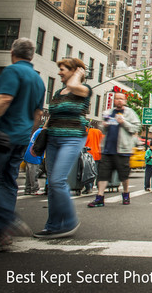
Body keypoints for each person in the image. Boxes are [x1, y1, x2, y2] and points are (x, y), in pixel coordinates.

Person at [0, 38, 45, 250]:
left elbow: (4, 100)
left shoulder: (12, 72)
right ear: (32, 56)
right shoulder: (38, 80)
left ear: (12, 52)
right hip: (21, 139)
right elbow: (38, 113)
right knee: (8, 181)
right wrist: (29, 134)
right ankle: (2, 233)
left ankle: (6, 217)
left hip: (2, 135)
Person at [34, 58, 91, 239]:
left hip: (72, 139)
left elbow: (75, 86)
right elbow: (52, 115)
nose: (59, 72)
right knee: (52, 184)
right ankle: (52, 225)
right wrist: (39, 140)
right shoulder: (59, 92)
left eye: (63, 69)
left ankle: (69, 222)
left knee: (58, 180)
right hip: (52, 139)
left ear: (75, 71)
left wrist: (78, 75)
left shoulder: (83, 90)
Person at [87, 92, 141, 207]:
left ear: (125, 101)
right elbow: (102, 128)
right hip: (107, 150)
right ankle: (100, 197)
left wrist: (123, 122)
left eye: (121, 99)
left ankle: (126, 194)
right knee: (103, 175)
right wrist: (104, 125)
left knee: (124, 175)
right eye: (117, 99)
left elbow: (136, 128)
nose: (119, 101)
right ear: (114, 100)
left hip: (123, 150)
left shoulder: (129, 113)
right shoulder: (108, 113)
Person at [83, 121, 104, 194]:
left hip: (89, 155)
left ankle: (89, 187)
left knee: (89, 173)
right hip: (98, 154)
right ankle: (99, 187)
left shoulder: (86, 132)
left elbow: (83, 144)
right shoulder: (98, 131)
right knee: (96, 172)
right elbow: (103, 140)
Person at [24, 126, 44, 195]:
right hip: (34, 154)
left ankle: (28, 189)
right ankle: (35, 189)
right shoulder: (42, 132)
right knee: (33, 173)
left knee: (29, 174)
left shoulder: (38, 130)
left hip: (29, 153)